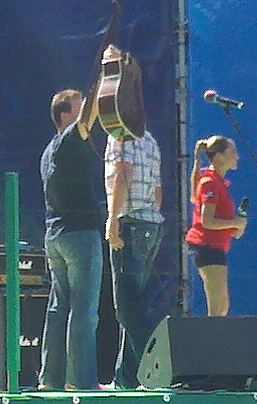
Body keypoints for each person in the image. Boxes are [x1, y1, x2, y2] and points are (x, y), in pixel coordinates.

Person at [38, 88, 102, 390]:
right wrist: (108, 74)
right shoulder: (67, 141)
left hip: (55, 235)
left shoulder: (48, 150)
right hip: (79, 234)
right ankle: (81, 381)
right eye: (78, 109)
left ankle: (50, 380)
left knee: (58, 307)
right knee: (84, 310)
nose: (85, 115)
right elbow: (90, 117)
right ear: (65, 114)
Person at [103, 131, 164, 389]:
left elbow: (122, 173)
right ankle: (126, 379)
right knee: (136, 304)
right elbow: (158, 193)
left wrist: (113, 218)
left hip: (131, 223)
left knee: (127, 308)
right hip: (152, 225)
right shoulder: (150, 139)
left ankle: (161, 368)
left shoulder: (121, 136)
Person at [184, 135, 247, 317]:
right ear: (219, 156)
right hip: (206, 247)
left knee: (222, 306)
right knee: (217, 308)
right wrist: (235, 222)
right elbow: (207, 221)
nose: (237, 156)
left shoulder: (218, 182)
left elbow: (217, 221)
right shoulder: (210, 182)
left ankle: (214, 343)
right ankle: (209, 344)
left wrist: (235, 228)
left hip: (215, 248)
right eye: (232, 152)